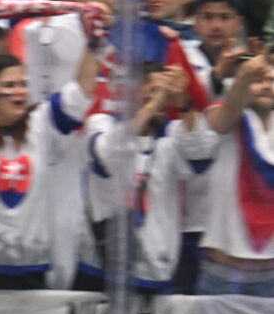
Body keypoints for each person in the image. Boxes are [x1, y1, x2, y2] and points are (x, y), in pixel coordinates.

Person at [0, 34, 102, 288]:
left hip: (29, 269)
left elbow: (78, 94)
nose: (20, 92)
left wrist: (93, 45)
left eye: (23, 84)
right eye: (10, 85)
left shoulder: (42, 124)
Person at [76, 65, 217, 292]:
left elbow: (200, 154)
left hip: (154, 269)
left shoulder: (172, 134)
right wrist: (152, 105)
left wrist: (183, 102)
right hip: (100, 266)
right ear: (130, 92)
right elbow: (106, 155)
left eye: (165, 94)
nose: (161, 99)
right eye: (152, 90)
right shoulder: (101, 124)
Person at [198, 51, 274, 295]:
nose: (266, 86)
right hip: (223, 271)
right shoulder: (223, 114)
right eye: (258, 79)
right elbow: (222, 121)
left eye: (272, 81)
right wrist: (243, 78)